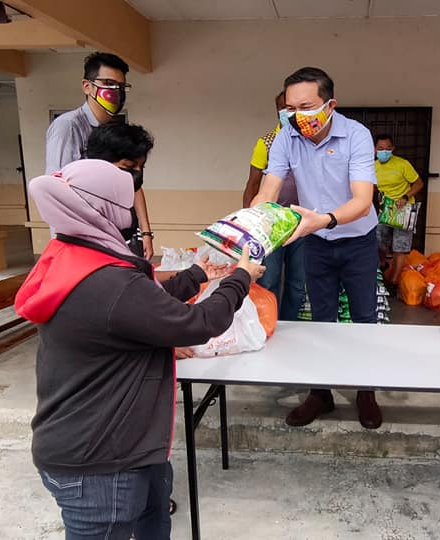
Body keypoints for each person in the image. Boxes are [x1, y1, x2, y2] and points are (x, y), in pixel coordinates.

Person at [16, 159, 264, 539]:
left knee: (153, 521)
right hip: (100, 462)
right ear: (109, 210)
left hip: (123, 446)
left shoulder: (71, 256)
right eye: (127, 203)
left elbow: (134, 307)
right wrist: (241, 279)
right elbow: (195, 325)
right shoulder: (111, 281)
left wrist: (196, 275)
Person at [251, 67, 382, 429]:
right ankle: (320, 393)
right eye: (289, 108)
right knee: (321, 320)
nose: (296, 116)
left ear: (329, 104)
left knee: (363, 318)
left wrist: (321, 220)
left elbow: (362, 200)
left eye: (305, 107)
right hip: (317, 243)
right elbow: (268, 189)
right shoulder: (284, 137)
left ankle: (365, 390)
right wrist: (250, 223)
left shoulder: (356, 135)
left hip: (357, 241)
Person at [45, 52, 156, 259]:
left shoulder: (114, 129)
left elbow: (132, 183)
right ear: (87, 86)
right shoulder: (68, 127)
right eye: (108, 83)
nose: (115, 91)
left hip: (119, 232)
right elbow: (59, 190)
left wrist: (145, 232)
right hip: (86, 241)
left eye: (121, 86)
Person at [242, 91, 306, 321]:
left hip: (302, 221)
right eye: (284, 107)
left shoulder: (307, 142)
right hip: (271, 222)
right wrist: (249, 221)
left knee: (298, 281)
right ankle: (270, 322)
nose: (289, 113)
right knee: (269, 278)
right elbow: (253, 183)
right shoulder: (266, 142)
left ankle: (289, 323)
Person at [85, 122, 156, 258]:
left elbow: (135, 189)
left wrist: (145, 232)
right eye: (129, 166)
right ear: (100, 164)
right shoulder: (85, 206)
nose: (137, 173)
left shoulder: (125, 189)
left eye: (142, 167)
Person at [373, 133, 423, 284]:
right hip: (384, 211)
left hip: (404, 211)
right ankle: (382, 266)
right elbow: (371, 188)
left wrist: (405, 197)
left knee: (399, 248)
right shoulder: (371, 167)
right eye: (381, 148)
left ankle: (393, 282)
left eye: (388, 148)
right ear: (375, 149)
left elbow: (419, 183)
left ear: (393, 148)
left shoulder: (402, 164)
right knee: (379, 244)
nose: (384, 151)